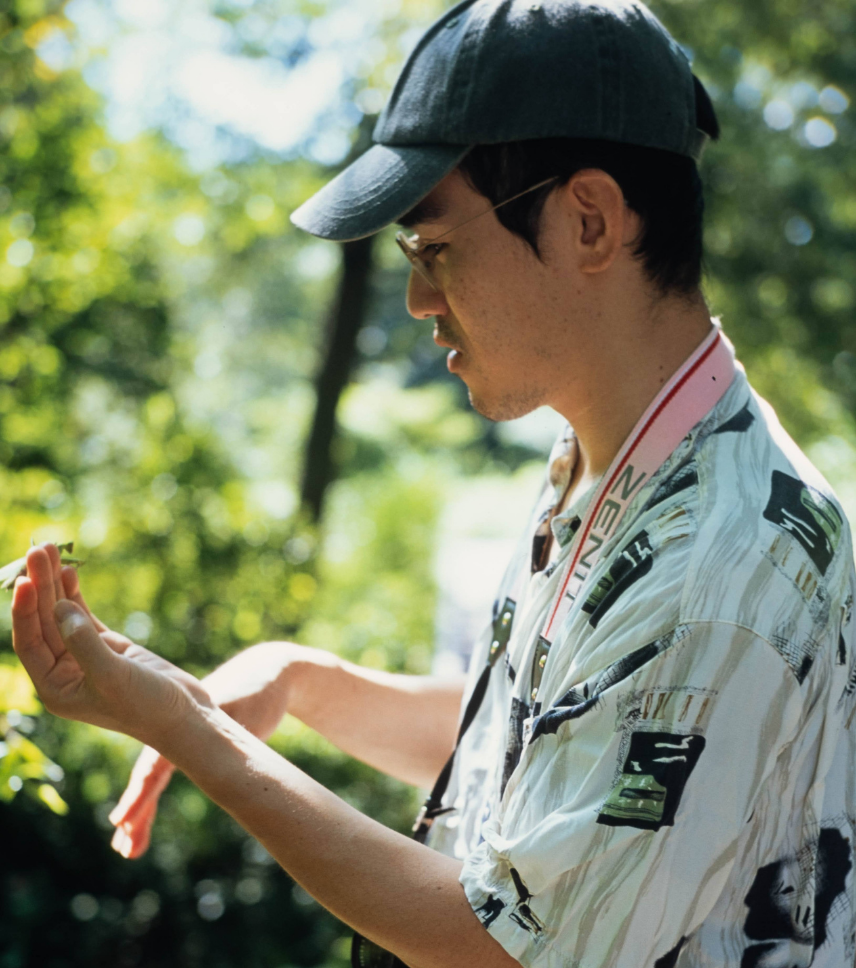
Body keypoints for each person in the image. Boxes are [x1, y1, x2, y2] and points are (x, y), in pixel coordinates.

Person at [11, 1, 856, 966]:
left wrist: (194, 731)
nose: (417, 298)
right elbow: (559, 752)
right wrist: (301, 680)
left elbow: (500, 949)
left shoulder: (721, 564)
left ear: (588, 221)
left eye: (434, 247)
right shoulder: (620, 458)